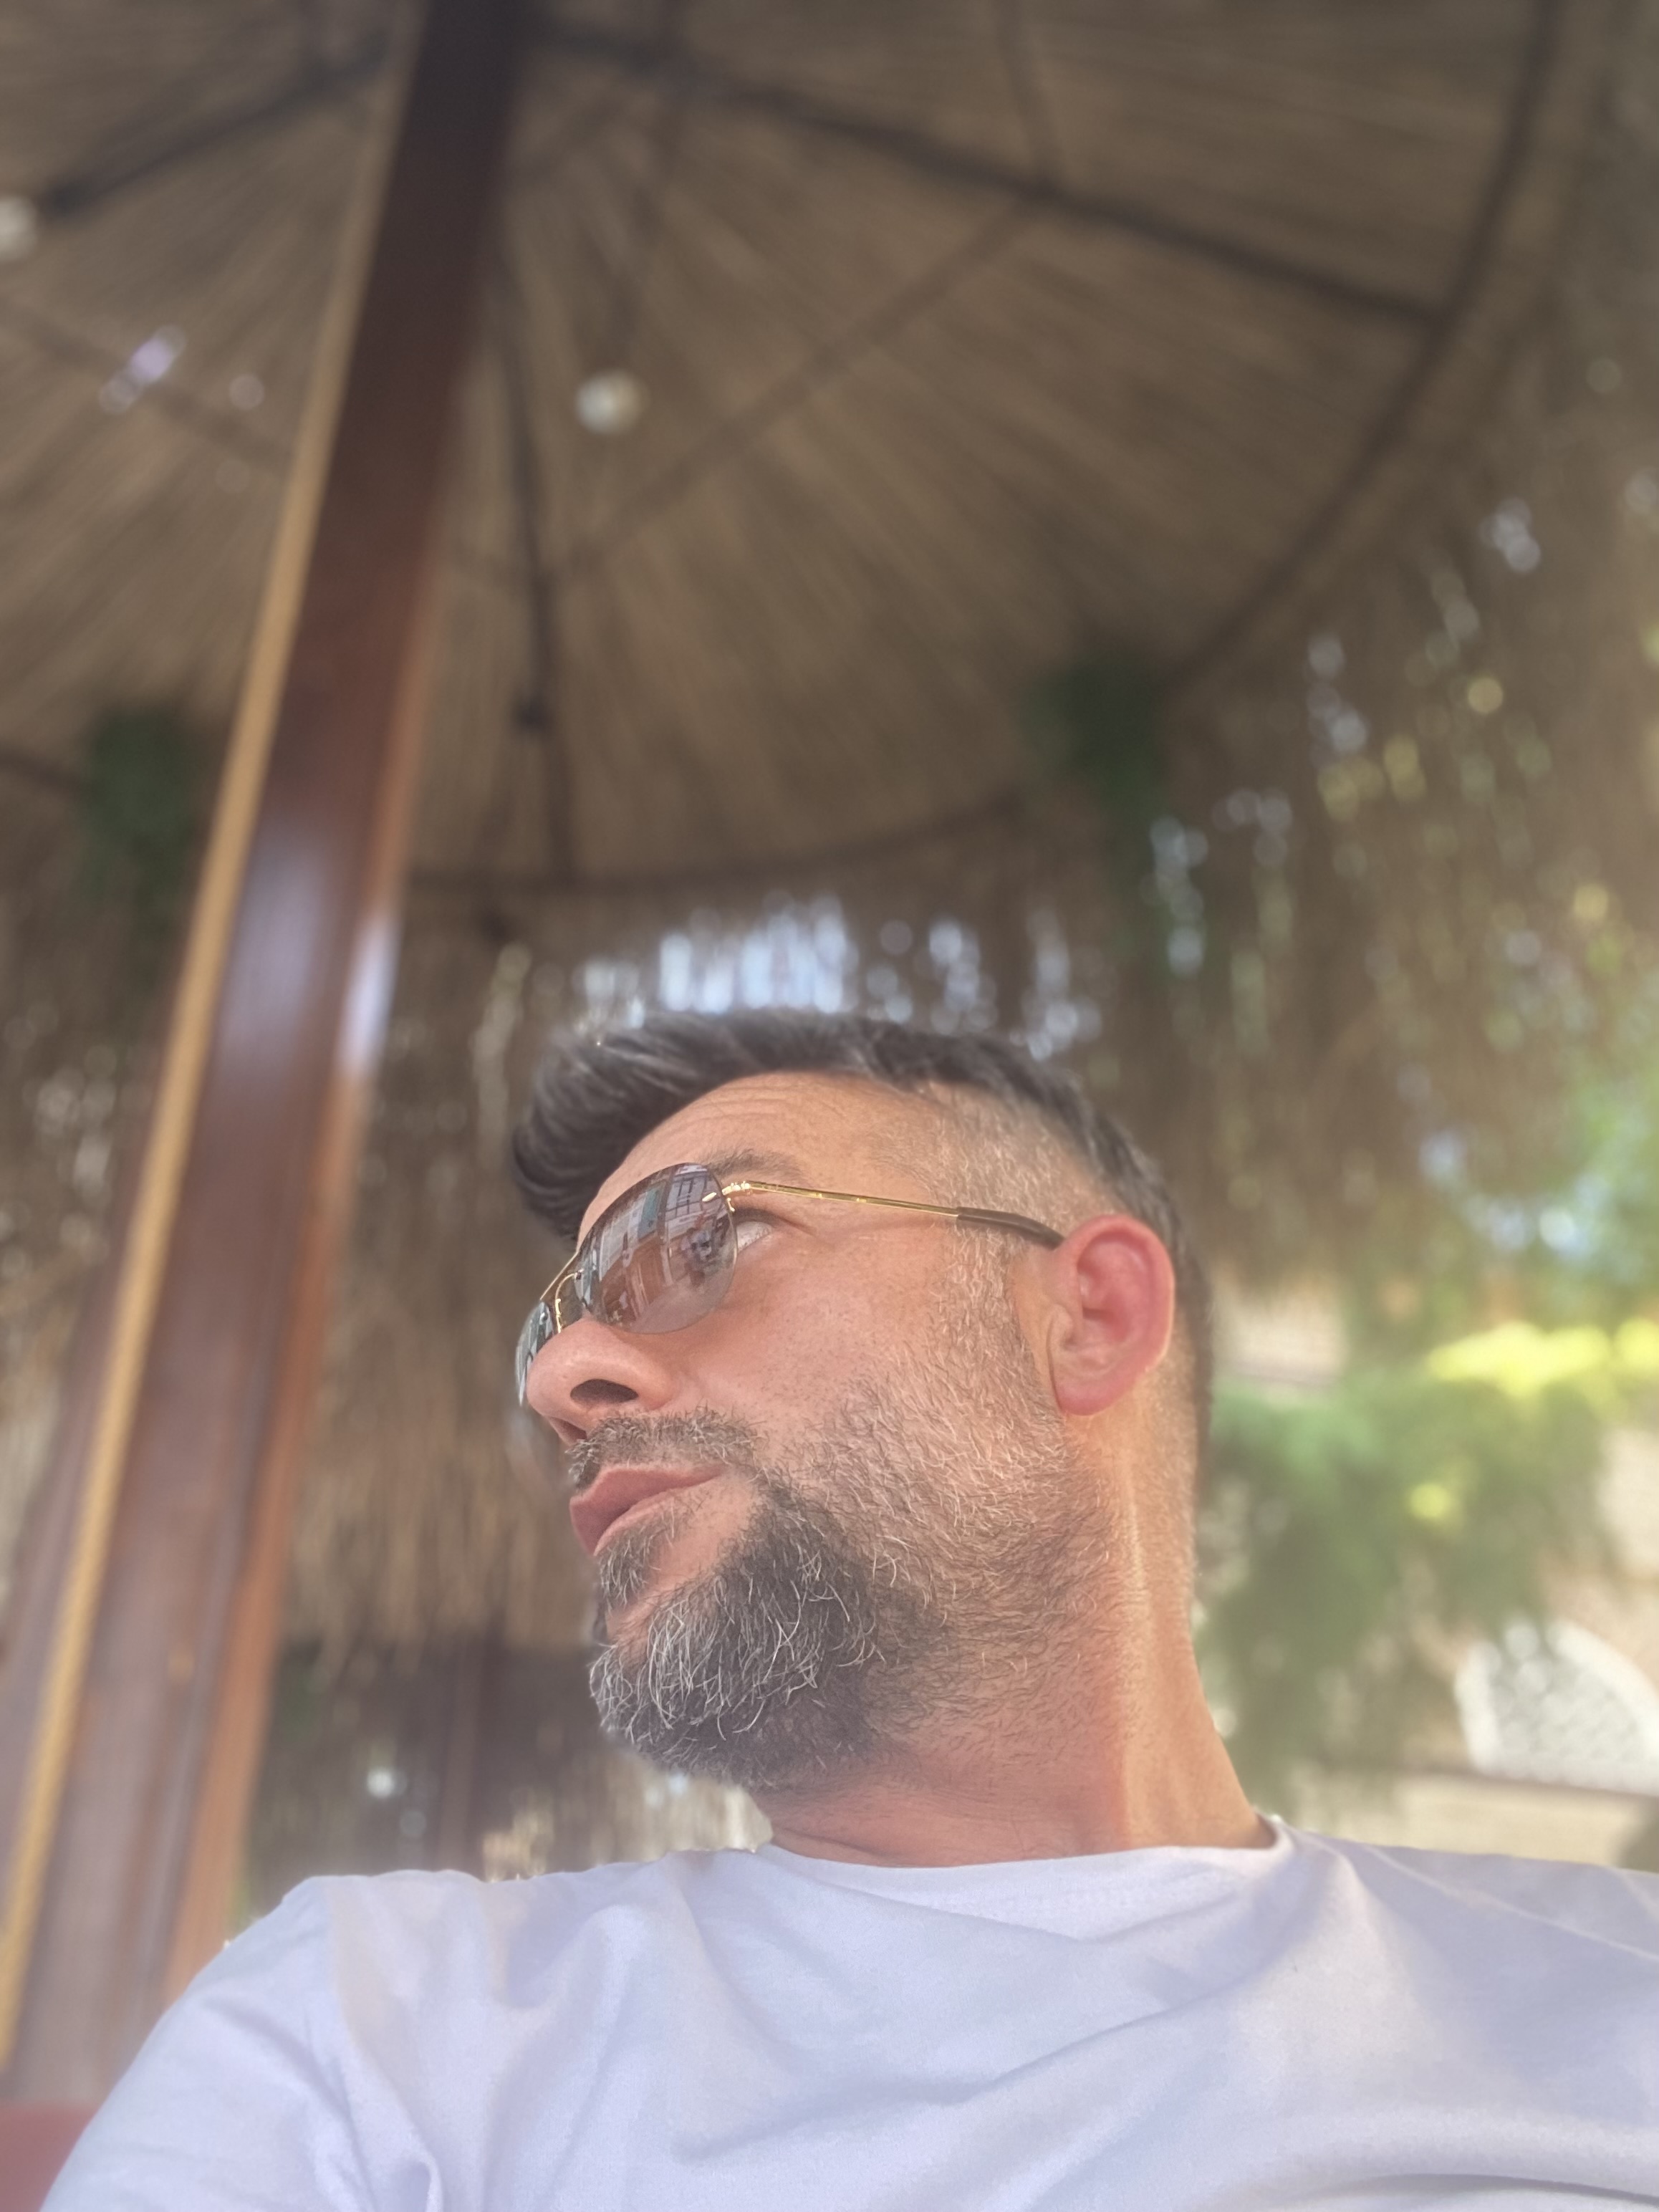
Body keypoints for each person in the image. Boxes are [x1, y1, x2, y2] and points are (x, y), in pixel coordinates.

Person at [48, 1012, 1659, 2210]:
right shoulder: (383, 2031)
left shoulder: (1602, 1987)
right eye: (552, 1328)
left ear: (1089, 1317)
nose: (563, 1378)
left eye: (701, 1240)